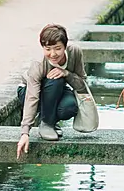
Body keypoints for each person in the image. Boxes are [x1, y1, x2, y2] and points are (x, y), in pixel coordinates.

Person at [17, 24, 88, 158]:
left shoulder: (75, 52)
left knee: (70, 107)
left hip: (59, 90)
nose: (53, 54)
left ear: (65, 46)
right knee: (56, 80)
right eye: (47, 49)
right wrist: (25, 133)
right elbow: (32, 97)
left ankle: (49, 120)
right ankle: (47, 124)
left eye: (57, 48)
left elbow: (82, 84)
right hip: (28, 91)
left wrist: (67, 73)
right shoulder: (39, 63)